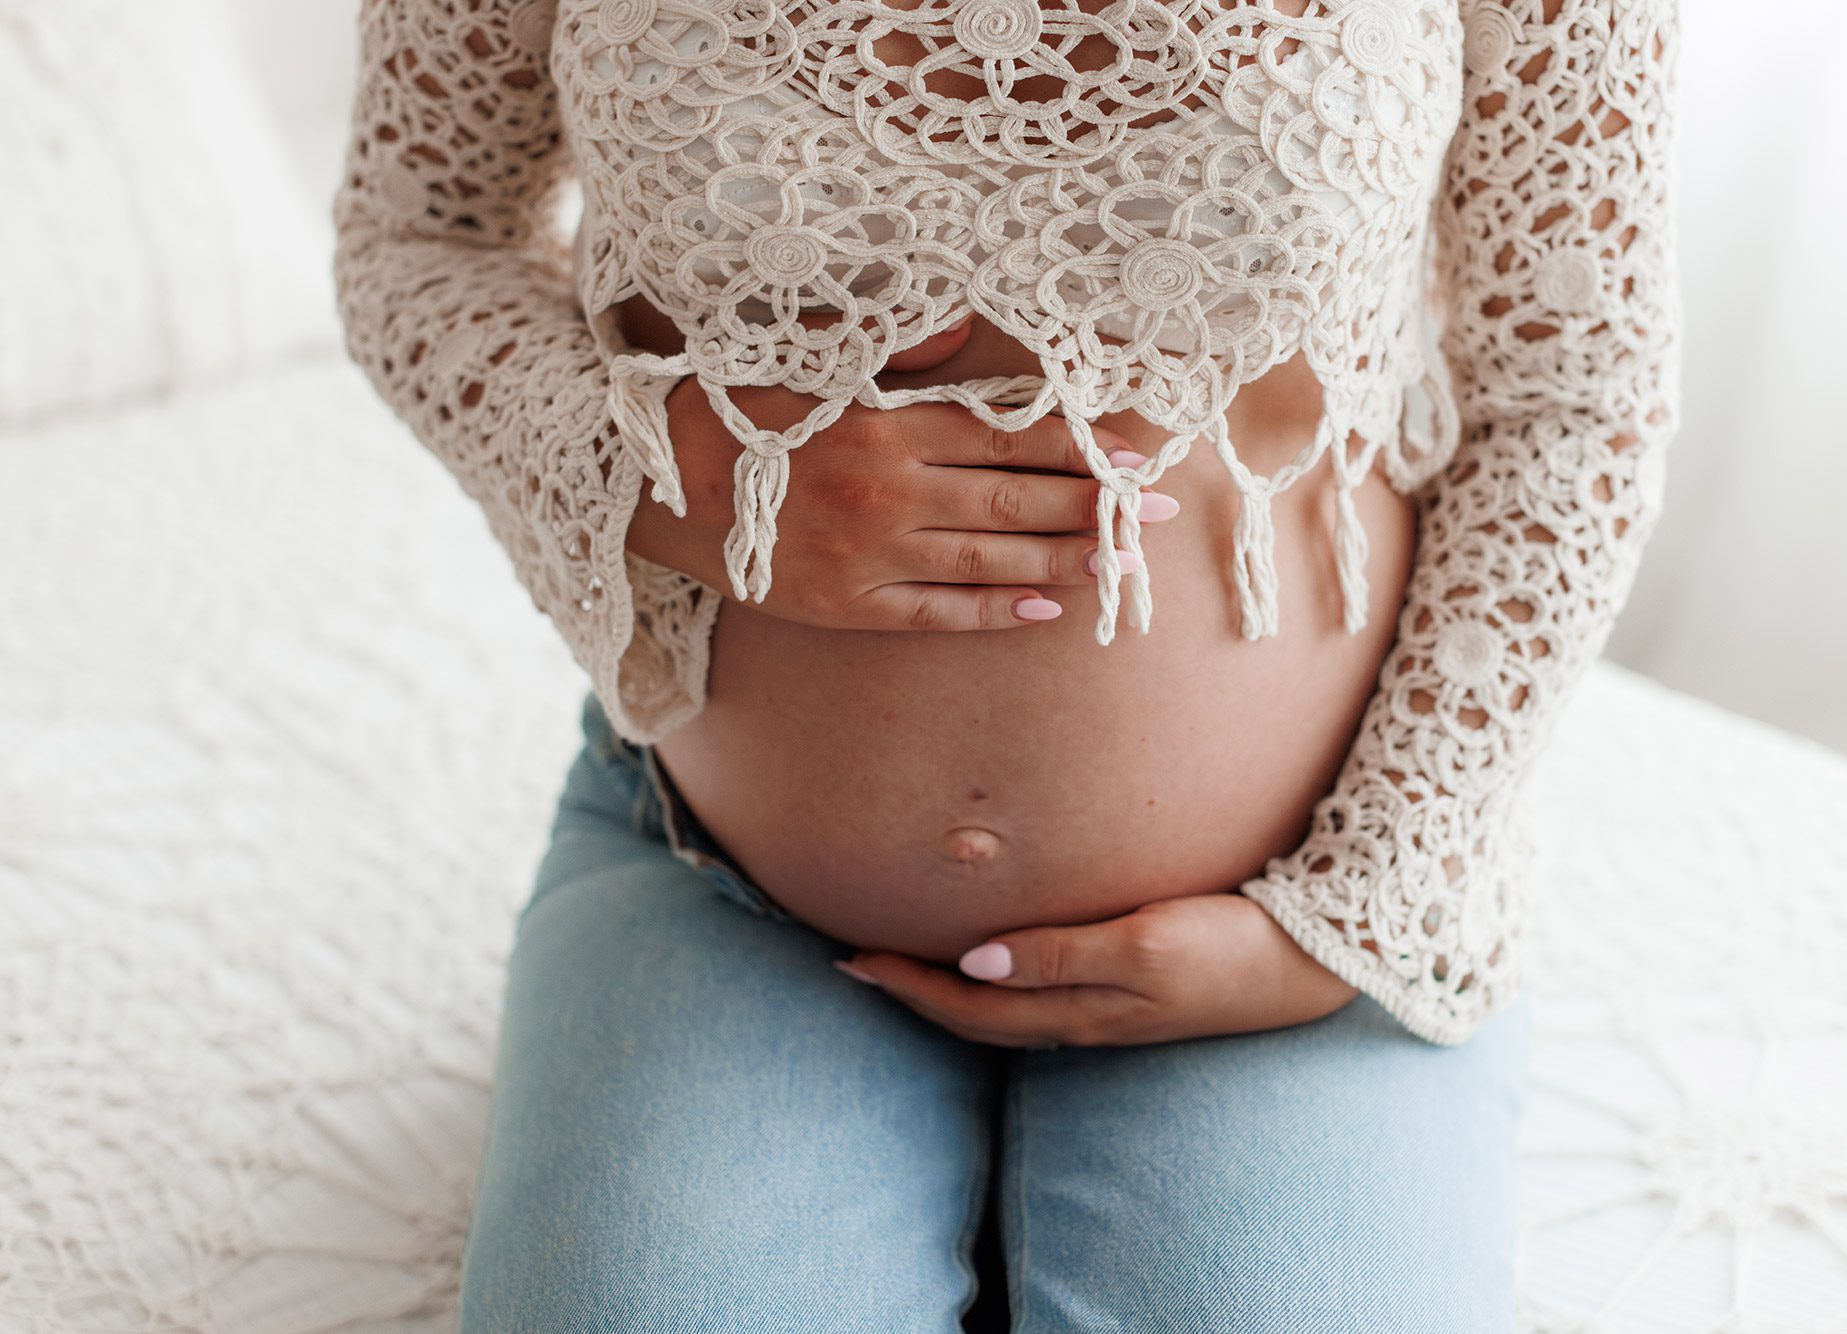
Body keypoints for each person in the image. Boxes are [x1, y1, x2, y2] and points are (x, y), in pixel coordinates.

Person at [330, 0, 1681, 1327]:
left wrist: (1360, 910)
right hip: (722, 872)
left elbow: (1574, 391)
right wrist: (674, 475)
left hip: (1299, 916)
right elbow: (418, 238)